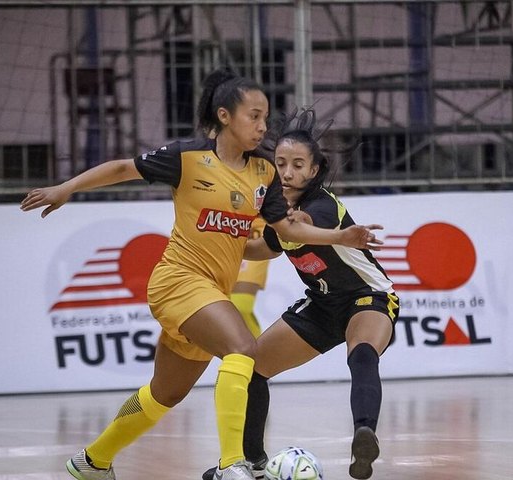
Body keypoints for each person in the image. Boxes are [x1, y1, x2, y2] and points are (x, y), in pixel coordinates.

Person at [20, 68, 382, 480]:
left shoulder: (263, 173)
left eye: (265, 118)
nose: (263, 126)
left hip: (210, 292)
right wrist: (66, 188)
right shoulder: (187, 158)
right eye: (254, 116)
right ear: (225, 116)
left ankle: (92, 461)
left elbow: (285, 231)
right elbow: (123, 168)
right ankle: (234, 465)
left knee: (164, 394)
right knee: (244, 350)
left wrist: (340, 236)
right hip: (177, 280)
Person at [202, 107, 399, 480]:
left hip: (367, 296)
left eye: (297, 165)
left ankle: (364, 434)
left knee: (362, 354)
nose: (288, 172)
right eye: (280, 163)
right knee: (254, 369)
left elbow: (299, 227)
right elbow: (264, 248)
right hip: (323, 305)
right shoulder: (279, 214)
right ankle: (254, 462)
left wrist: (255, 214)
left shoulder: (319, 207)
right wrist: (220, 238)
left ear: (313, 171)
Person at [233, 216, 270, 339]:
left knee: (240, 305)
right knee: (224, 305)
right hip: (226, 225)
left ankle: (255, 351)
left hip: (259, 227)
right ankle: (247, 352)